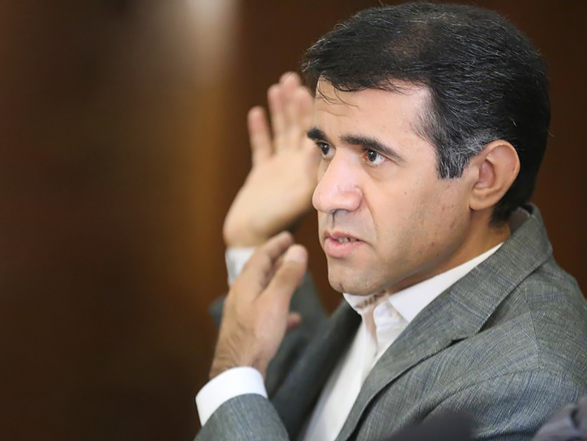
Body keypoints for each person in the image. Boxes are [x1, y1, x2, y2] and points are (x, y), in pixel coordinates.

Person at [194, 3, 587, 441]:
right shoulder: (407, 268)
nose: (323, 196)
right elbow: (319, 414)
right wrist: (253, 239)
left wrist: (232, 374)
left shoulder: (526, 382)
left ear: (485, 177)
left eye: (372, 155)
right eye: (325, 149)